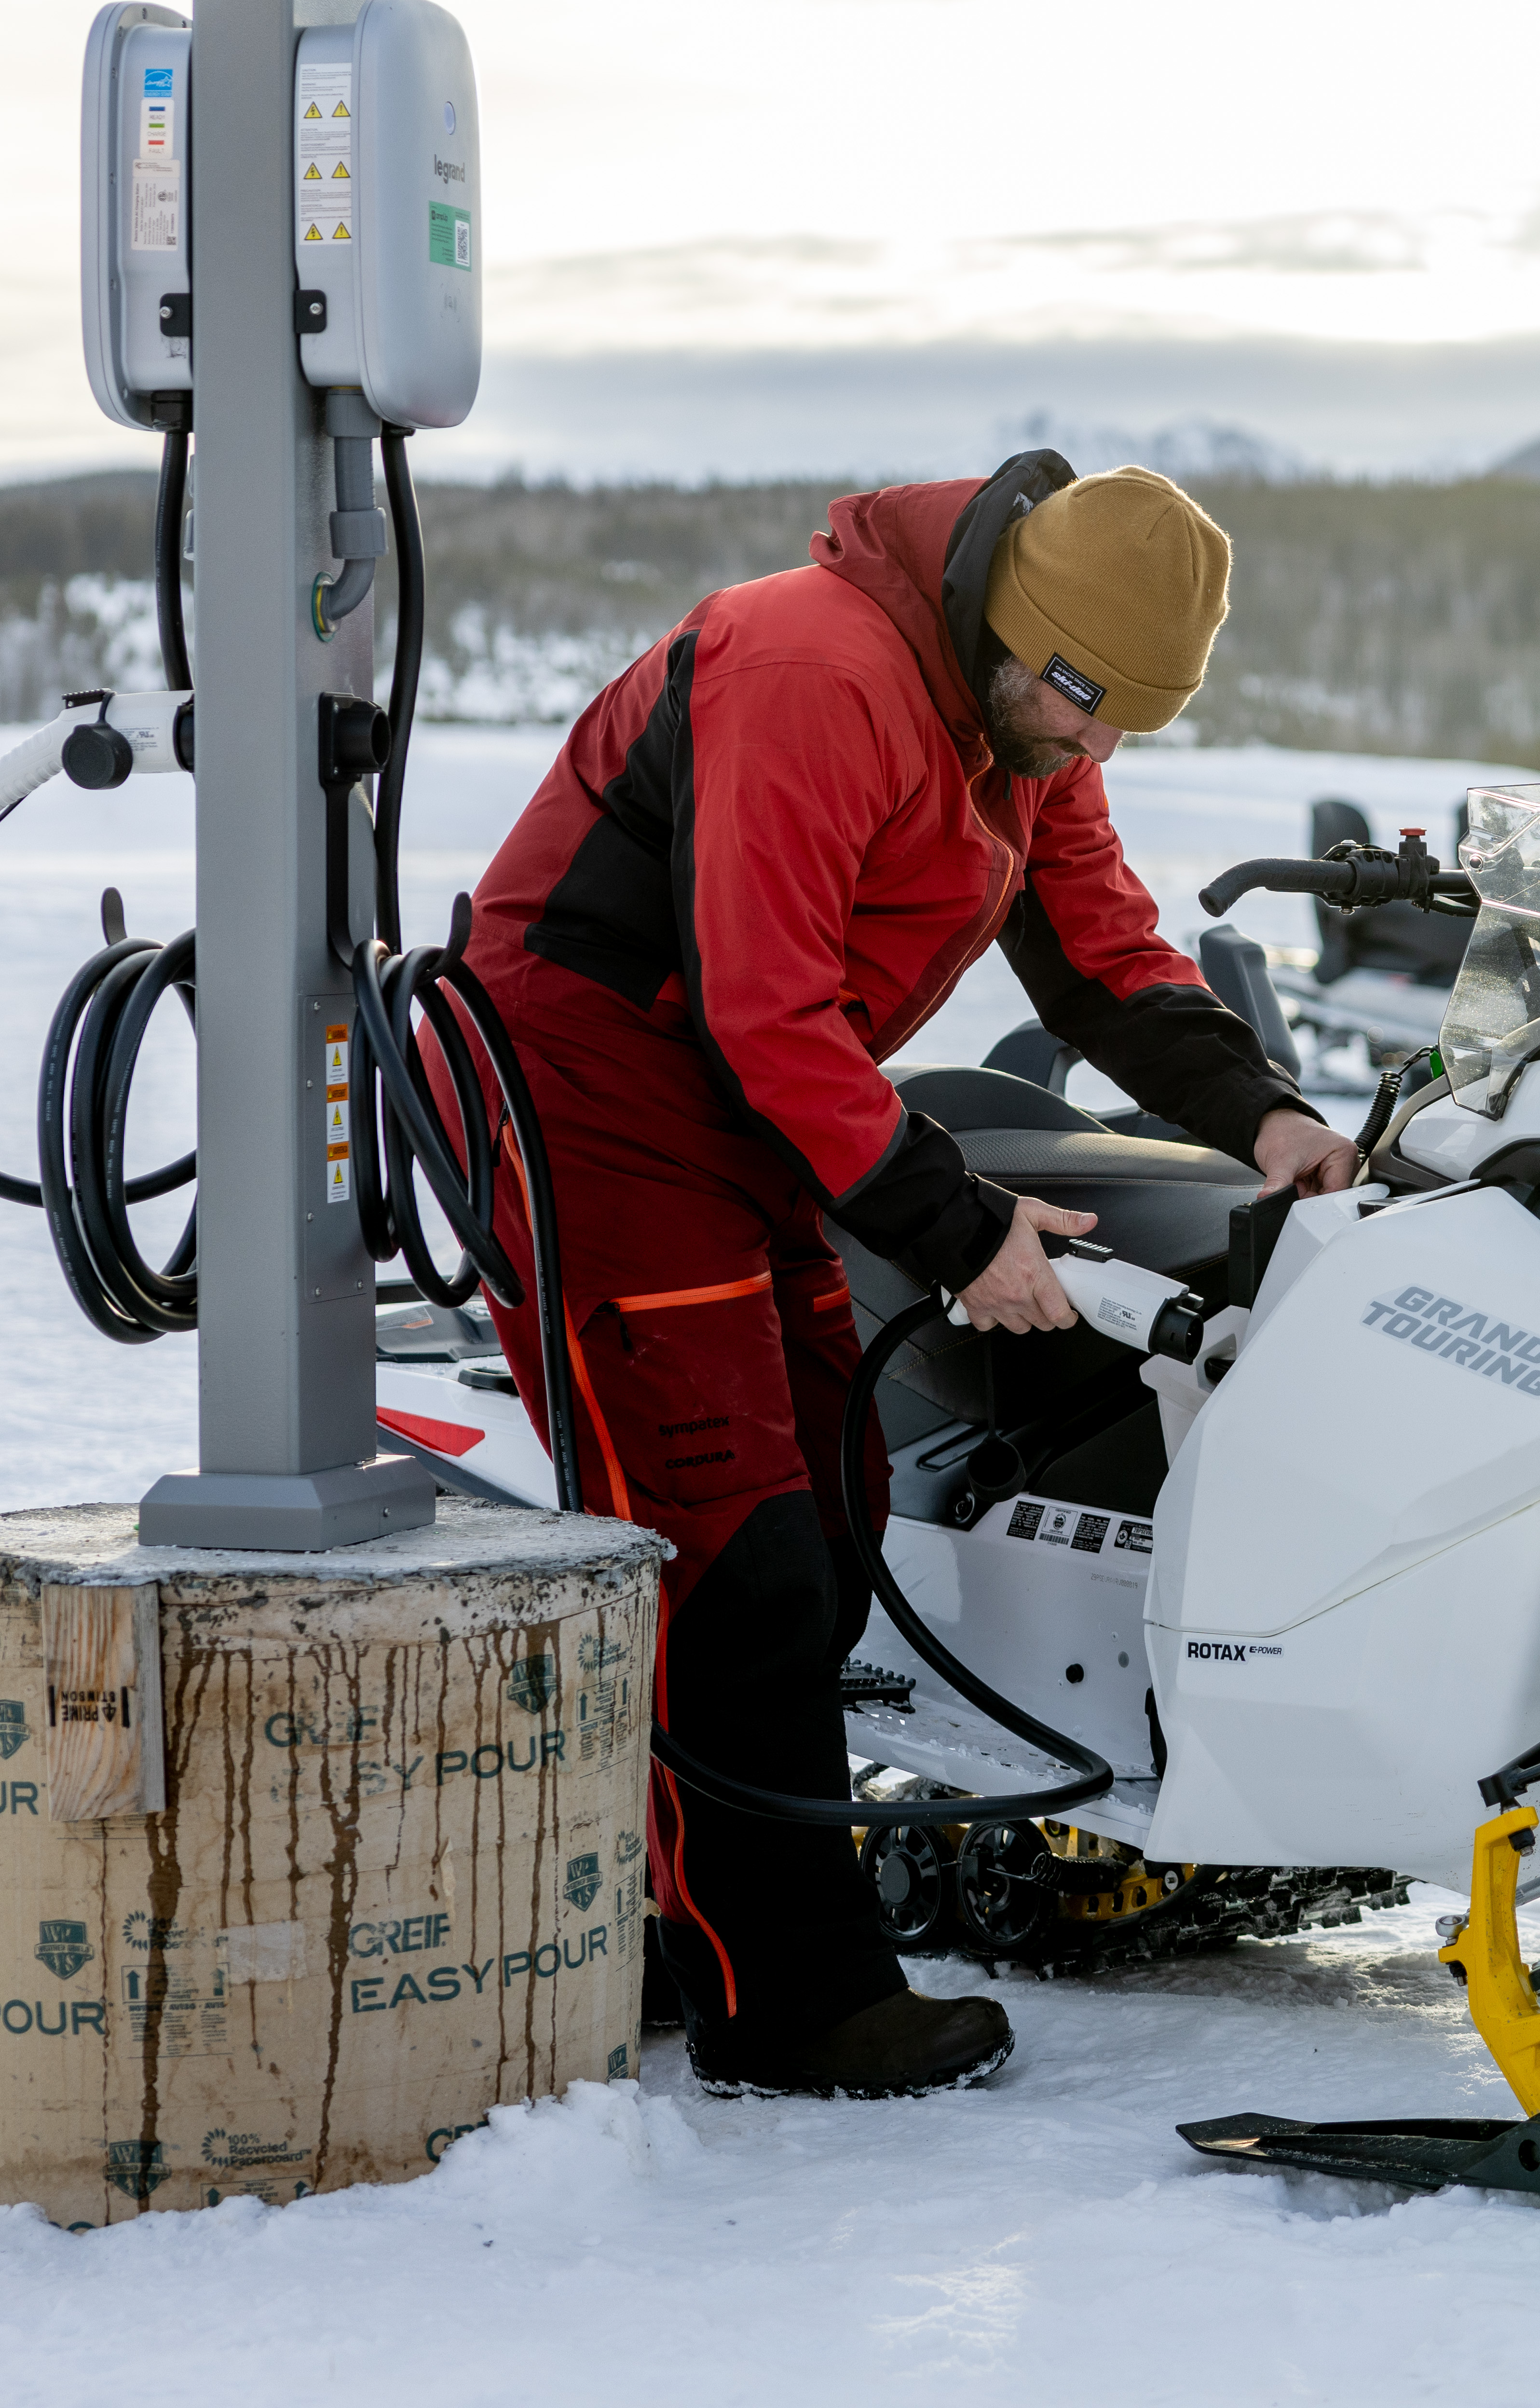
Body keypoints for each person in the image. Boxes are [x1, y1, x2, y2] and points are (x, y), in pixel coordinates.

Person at [456, 450, 1357, 2099]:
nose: (1092, 754)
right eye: (1081, 713)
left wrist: (1269, 1119)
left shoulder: (1022, 711)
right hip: (588, 1090)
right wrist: (964, 1231)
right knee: (731, 1543)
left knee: (839, 1487)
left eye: (1122, 731)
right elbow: (763, 1007)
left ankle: (677, 1921)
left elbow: (1099, 951)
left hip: (740, 1103)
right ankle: (785, 2001)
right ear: (1017, 624)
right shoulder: (814, 670)